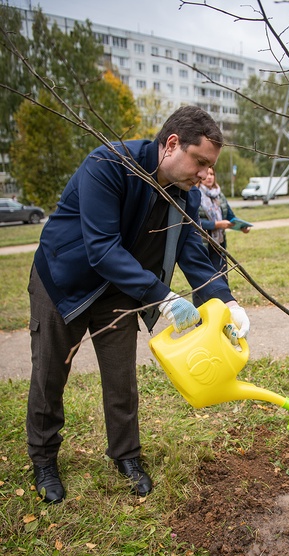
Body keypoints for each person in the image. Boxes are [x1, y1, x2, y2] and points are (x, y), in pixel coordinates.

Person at [27, 105, 250, 503]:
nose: (203, 173)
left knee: (121, 377)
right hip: (62, 280)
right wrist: (163, 296)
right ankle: (44, 459)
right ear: (172, 144)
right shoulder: (109, 164)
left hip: (119, 294)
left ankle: (126, 455)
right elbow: (102, 249)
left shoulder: (187, 192)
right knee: (49, 373)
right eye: (200, 162)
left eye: (208, 165)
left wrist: (226, 300)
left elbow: (191, 251)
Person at [194, 166, 250, 303]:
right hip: (202, 245)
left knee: (222, 281)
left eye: (212, 174)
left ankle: (223, 315)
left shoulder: (219, 195)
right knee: (202, 283)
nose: (209, 177)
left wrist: (242, 226)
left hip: (219, 246)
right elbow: (193, 221)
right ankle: (200, 319)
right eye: (207, 174)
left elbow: (230, 216)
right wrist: (216, 225)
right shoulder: (194, 194)